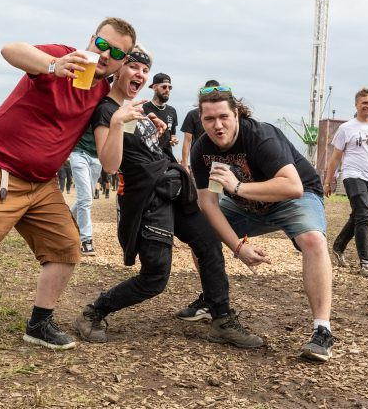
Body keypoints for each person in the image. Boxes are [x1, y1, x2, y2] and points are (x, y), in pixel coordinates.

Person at [0, 17, 136, 350]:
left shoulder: (102, 93)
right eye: (101, 44)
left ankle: (39, 324)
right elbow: (11, 50)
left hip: (40, 184)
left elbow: (112, 156)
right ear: (91, 40)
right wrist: (54, 65)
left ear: (121, 61)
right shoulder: (63, 56)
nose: (104, 54)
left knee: (65, 246)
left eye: (115, 52)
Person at [73, 46, 264, 349]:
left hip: (175, 191)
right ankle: (93, 312)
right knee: (155, 278)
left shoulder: (134, 109)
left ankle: (222, 319)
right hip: (149, 200)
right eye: (133, 66)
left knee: (208, 244)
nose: (140, 74)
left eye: (144, 70)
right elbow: (110, 163)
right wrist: (119, 123)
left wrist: (150, 127)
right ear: (118, 69)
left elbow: (140, 148)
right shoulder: (107, 112)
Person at [177, 85, 334, 362]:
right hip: (245, 205)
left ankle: (322, 330)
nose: (217, 125)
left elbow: (293, 186)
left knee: (313, 240)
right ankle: (213, 298)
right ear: (200, 120)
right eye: (209, 119)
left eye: (223, 117)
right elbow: (208, 204)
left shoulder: (260, 136)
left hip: (292, 199)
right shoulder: (202, 149)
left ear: (236, 114)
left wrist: (237, 187)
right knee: (200, 232)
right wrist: (238, 247)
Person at [324, 87, 368, 277]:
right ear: (356, 105)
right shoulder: (346, 128)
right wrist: (328, 181)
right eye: (364, 103)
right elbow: (335, 157)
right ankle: (366, 263)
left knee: (358, 216)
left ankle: (338, 246)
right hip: (353, 176)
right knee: (363, 217)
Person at [70, 126, 102, 256]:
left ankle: (64, 221)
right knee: (86, 199)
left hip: (97, 157)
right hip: (79, 153)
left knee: (86, 197)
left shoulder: (107, 112)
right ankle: (86, 240)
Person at [181, 81, 219, 174]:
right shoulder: (192, 114)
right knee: (199, 183)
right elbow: (187, 141)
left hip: (219, 160)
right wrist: (185, 164)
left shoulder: (223, 114)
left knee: (218, 183)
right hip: (199, 159)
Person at [143, 73, 179, 159]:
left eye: (169, 87)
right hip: (149, 156)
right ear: (154, 87)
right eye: (164, 87)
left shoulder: (172, 110)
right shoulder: (144, 108)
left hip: (167, 157)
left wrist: (174, 140)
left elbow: (173, 134)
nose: (167, 90)